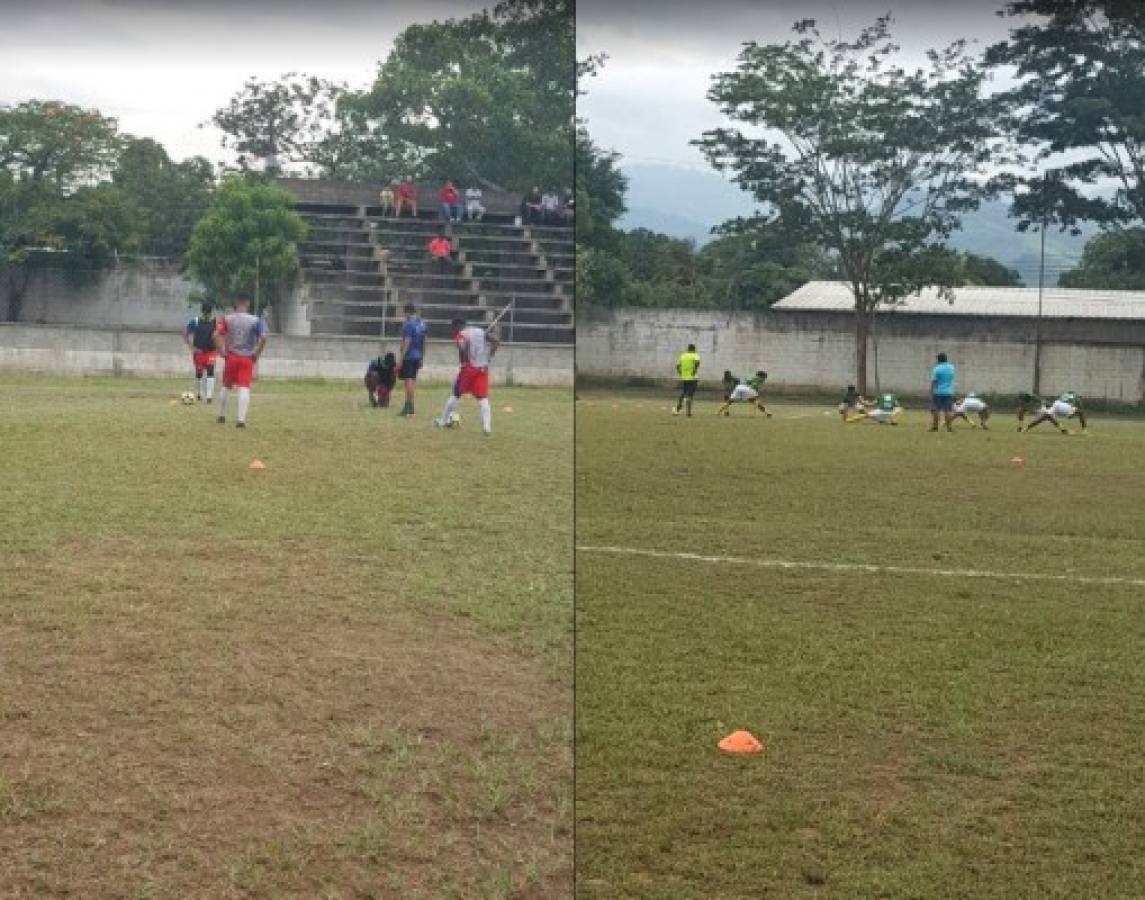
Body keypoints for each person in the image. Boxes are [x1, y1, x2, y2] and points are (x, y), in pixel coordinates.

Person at [434, 316, 500, 436]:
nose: (453, 332)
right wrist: (489, 357)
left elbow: (462, 346)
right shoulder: (480, 331)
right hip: (482, 368)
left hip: (468, 369)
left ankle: (443, 421)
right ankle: (487, 427)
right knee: (483, 398)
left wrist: (464, 359)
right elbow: (496, 341)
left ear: (456, 327)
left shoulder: (461, 334)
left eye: (453, 329)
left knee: (456, 394)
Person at [213, 296, 267, 428]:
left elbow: (215, 335)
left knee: (226, 385)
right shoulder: (255, 320)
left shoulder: (227, 319)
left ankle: (221, 415)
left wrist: (221, 351)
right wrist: (257, 354)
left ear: (235, 303)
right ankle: (240, 420)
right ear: (248, 304)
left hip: (231, 357)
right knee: (244, 387)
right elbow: (264, 337)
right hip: (247, 358)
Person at [396, 303, 427, 418]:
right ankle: (408, 407)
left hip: (409, 357)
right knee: (412, 381)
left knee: (408, 382)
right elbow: (424, 342)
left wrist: (400, 359)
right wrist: (422, 357)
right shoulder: (422, 324)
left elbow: (407, 342)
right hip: (418, 356)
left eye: (404, 313)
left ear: (408, 312)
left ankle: (410, 408)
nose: (404, 315)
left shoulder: (408, 324)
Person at [183, 301, 218, 403]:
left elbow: (219, 335)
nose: (207, 314)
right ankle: (199, 394)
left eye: (209, 312)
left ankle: (209, 397)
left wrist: (219, 347)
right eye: (206, 312)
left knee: (211, 370)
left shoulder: (215, 322)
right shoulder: (196, 321)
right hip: (199, 352)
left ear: (211, 312)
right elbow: (185, 333)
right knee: (199, 373)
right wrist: (192, 347)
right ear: (202, 311)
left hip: (211, 351)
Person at [1021, 391, 1088, 433]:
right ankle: (1084, 430)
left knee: (1045, 417)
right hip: (1065, 406)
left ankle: (1026, 428)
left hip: (1056, 404)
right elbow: (1080, 405)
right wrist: (1075, 412)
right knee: (1080, 412)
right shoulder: (1076, 396)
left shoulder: (1065, 395)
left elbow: (1057, 401)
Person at [929, 352, 956, 432]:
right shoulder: (951, 367)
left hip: (938, 392)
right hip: (948, 392)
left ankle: (935, 427)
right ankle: (949, 427)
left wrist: (931, 391)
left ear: (939, 360)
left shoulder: (937, 368)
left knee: (935, 410)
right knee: (948, 410)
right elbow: (951, 377)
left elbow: (934, 381)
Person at [674, 344, 701, 416]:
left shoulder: (683, 356)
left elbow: (677, 366)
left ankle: (677, 409)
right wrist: (694, 371)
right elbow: (697, 362)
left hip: (684, 377)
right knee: (690, 395)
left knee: (684, 392)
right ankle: (688, 412)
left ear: (688, 349)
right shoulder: (695, 355)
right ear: (693, 349)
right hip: (693, 378)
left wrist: (680, 373)